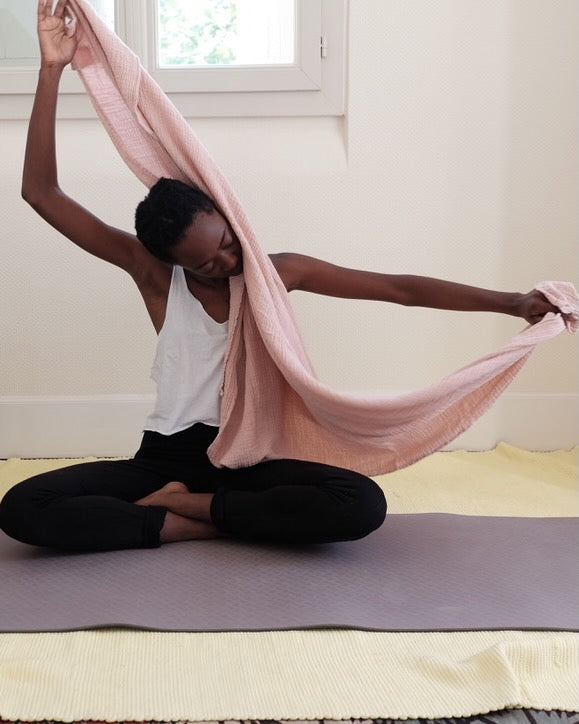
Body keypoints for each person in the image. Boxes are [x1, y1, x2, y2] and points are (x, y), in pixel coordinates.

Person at [0, 0, 560, 552]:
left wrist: (513, 302)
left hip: (252, 458)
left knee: (360, 503)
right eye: (205, 263)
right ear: (174, 264)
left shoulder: (275, 274)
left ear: (225, 214)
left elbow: (398, 288)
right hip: (167, 457)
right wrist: (52, 69)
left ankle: (196, 509)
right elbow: (41, 193)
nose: (226, 261)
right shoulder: (156, 279)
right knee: (23, 507)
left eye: (225, 242)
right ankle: (191, 520)